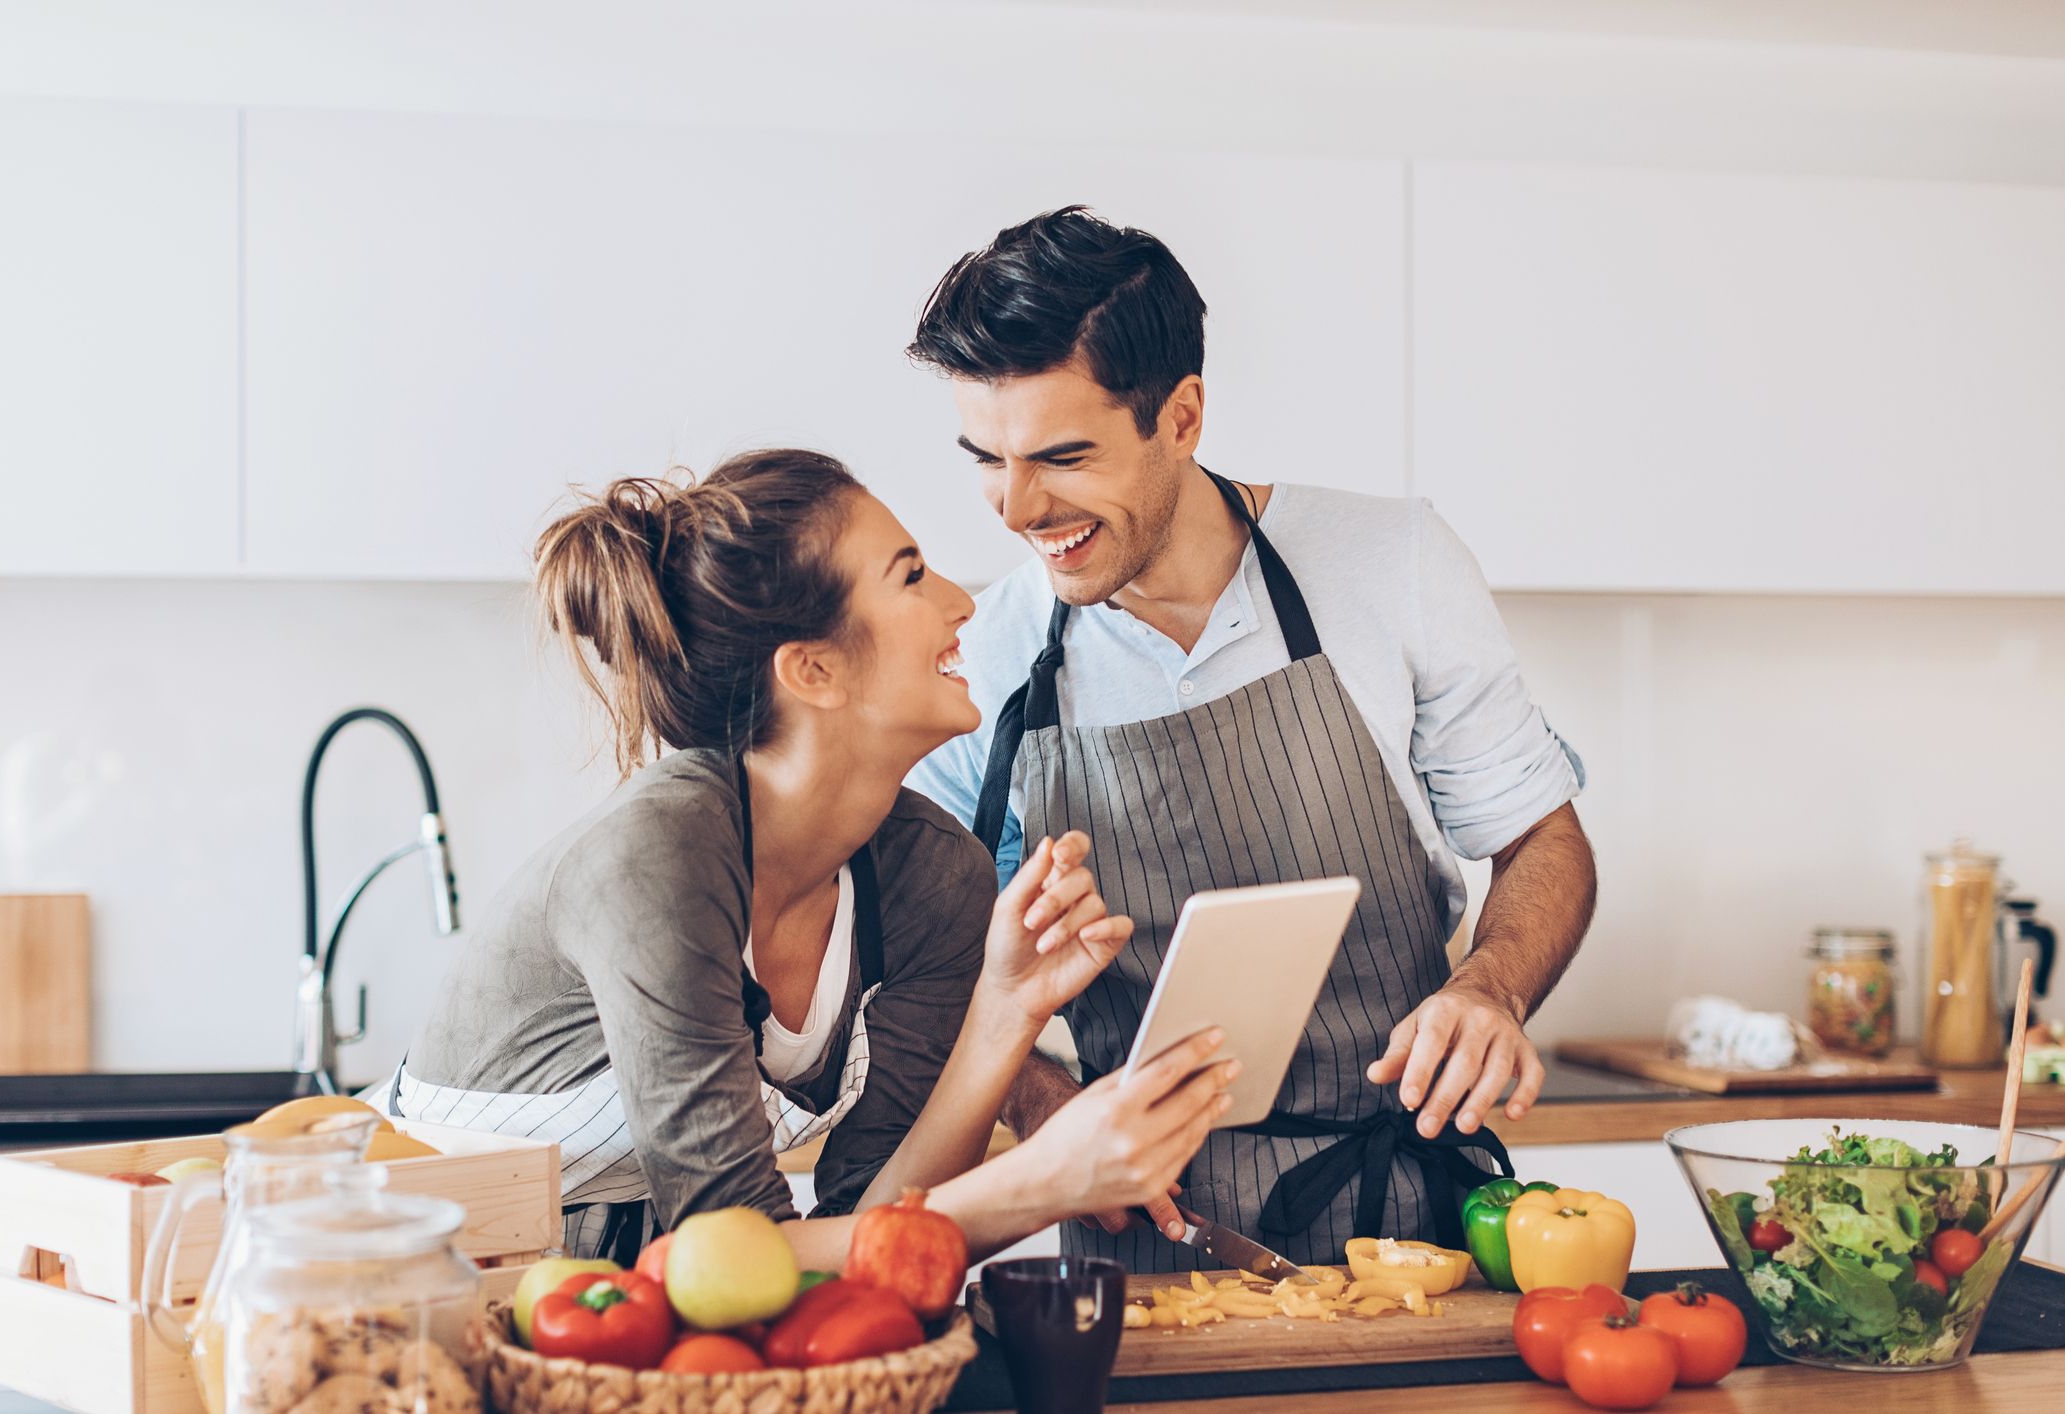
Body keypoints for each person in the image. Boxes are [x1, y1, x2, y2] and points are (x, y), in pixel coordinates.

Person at [905, 208, 1598, 1270]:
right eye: (985, 460)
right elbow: (921, 944)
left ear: (1181, 417)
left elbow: (1540, 839)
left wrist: (1489, 986)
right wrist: (1041, 1101)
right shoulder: (990, 649)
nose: (1015, 507)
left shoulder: (1389, 561)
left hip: (1410, 1219)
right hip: (1135, 1238)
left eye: (1062, 455)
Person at [395, 449, 1236, 1267]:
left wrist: (1005, 1010)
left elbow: (872, 1232)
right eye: (910, 576)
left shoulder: (936, 873)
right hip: (423, 1280)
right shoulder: (657, 858)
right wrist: (1042, 1182)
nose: (960, 604)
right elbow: (736, 1253)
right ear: (813, 670)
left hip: (656, 1304)